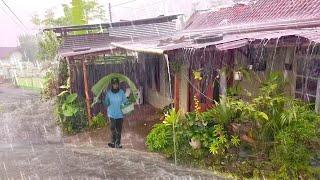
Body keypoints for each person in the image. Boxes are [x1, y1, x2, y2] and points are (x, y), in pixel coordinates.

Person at [103, 77, 128, 148]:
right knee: (113, 128)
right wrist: (104, 100)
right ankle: (113, 142)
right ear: (112, 85)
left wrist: (128, 102)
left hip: (120, 114)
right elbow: (106, 103)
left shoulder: (121, 92)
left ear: (118, 84)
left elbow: (125, 102)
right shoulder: (108, 93)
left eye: (116, 84)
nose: (115, 85)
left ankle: (118, 143)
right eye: (114, 84)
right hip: (111, 114)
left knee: (119, 129)